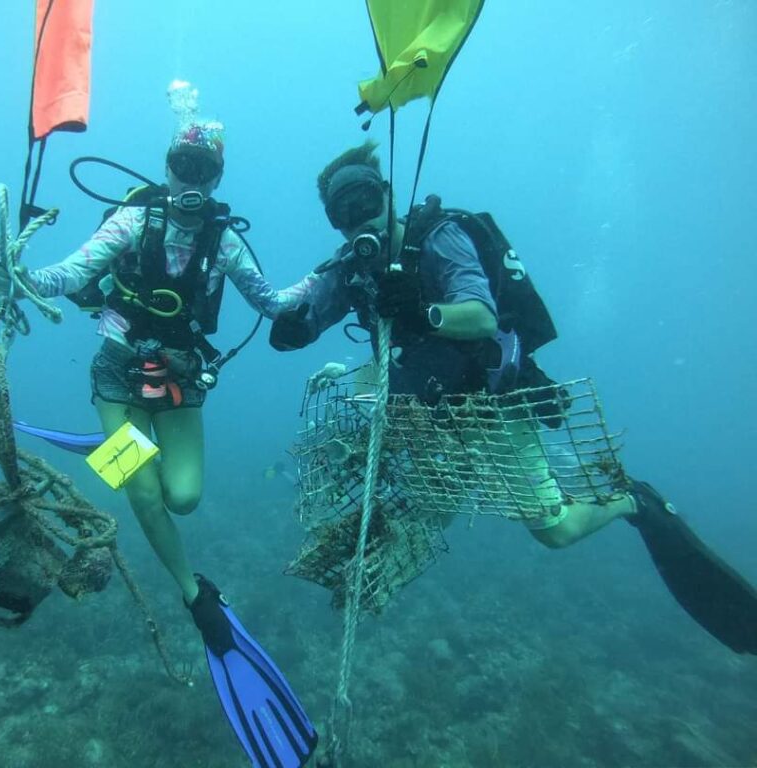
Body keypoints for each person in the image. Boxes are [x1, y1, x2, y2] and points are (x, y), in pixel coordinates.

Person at [269, 140, 757, 655]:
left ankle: (631, 499)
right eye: (342, 215)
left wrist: (424, 310)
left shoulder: (439, 238)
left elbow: (479, 316)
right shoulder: (351, 268)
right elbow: (307, 309)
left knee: (556, 533)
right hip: (426, 411)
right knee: (418, 499)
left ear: (387, 194)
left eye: (365, 203)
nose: (358, 221)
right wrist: (292, 329)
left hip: (490, 401)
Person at [0, 118, 319, 766]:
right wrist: (21, 275)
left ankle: (112, 449)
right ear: (167, 166)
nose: (190, 179)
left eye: (203, 170)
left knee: (185, 497)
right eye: (181, 164)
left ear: (216, 177)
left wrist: (335, 279)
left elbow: (273, 301)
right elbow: (71, 271)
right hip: (117, 364)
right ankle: (195, 594)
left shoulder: (224, 243)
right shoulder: (131, 223)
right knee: (143, 494)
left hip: (178, 373)